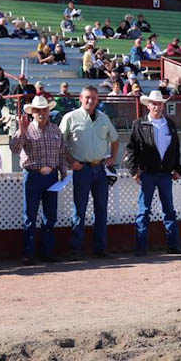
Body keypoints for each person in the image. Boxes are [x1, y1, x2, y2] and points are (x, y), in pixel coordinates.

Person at [60, 86, 119, 259]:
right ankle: (76, 250)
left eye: (93, 98)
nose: (90, 101)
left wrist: (112, 158)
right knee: (80, 209)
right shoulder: (70, 117)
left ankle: (100, 248)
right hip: (82, 169)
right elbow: (60, 144)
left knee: (101, 209)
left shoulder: (103, 118)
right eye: (87, 97)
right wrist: (71, 162)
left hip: (100, 169)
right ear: (80, 98)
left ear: (98, 99)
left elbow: (115, 140)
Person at [125, 90, 181, 256]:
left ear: (162, 105)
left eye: (159, 103)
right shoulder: (139, 124)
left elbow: (176, 148)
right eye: (154, 103)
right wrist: (134, 170)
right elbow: (131, 149)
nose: (157, 106)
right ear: (148, 105)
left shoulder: (170, 124)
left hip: (165, 173)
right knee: (144, 210)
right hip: (147, 173)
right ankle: (141, 247)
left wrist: (177, 168)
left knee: (168, 210)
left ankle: (173, 245)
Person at [10, 96, 67, 265]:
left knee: (50, 216)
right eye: (38, 110)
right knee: (30, 215)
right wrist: (21, 130)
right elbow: (15, 148)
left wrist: (63, 171)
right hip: (33, 175)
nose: (42, 113)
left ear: (49, 111)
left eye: (44, 110)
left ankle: (46, 251)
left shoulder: (56, 130)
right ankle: (28, 253)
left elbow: (62, 153)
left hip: (52, 176)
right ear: (32, 112)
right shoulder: (26, 130)